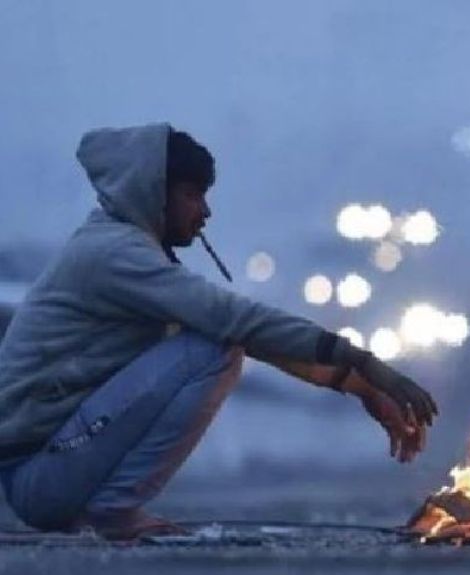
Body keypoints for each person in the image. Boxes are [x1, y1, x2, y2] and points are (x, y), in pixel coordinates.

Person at [0, 124, 437, 540]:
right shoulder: (116, 254)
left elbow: (259, 340)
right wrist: (365, 362)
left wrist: (360, 386)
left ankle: (109, 508)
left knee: (219, 341)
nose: (205, 211)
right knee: (214, 349)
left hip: (53, 471)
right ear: (154, 193)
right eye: (192, 195)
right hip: (40, 477)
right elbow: (237, 321)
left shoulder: (123, 247)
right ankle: (113, 510)